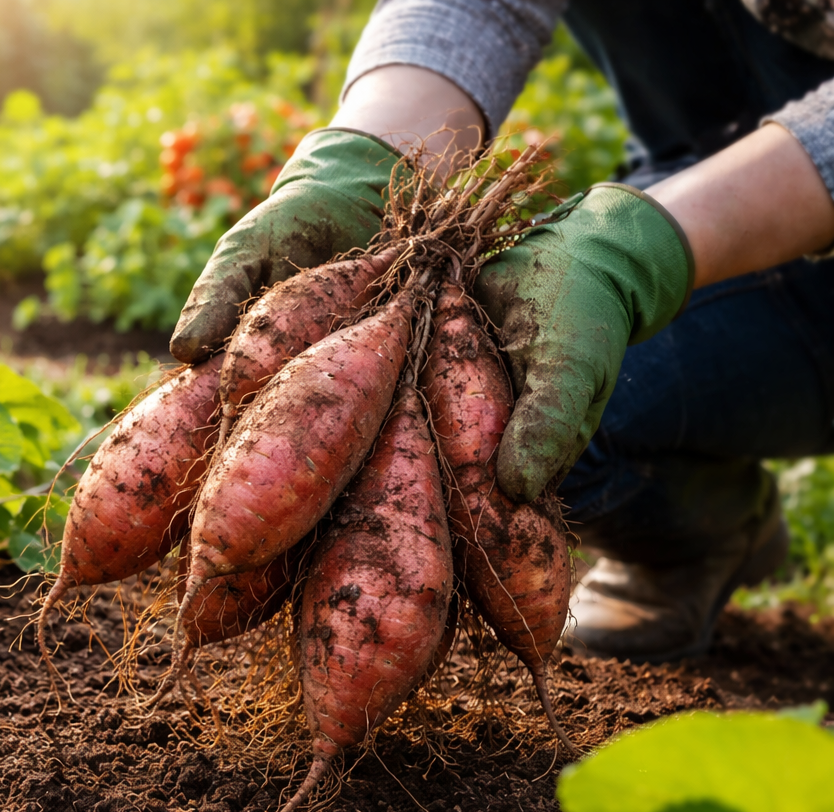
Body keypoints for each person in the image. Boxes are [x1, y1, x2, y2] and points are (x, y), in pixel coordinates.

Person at [170, 0, 834, 662]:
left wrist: (638, 248)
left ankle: (703, 538)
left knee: (520, 420)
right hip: (676, 194)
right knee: (496, 389)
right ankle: (711, 521)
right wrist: (369, 151)